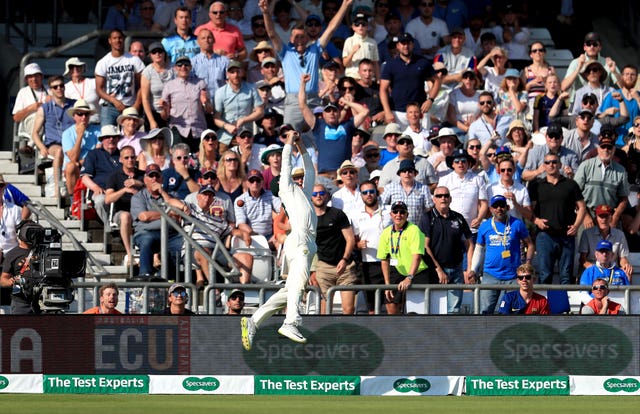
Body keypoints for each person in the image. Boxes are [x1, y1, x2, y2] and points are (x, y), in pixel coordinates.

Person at [241, 129, 317, 349]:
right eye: (296, 179)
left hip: (308, 242)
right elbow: (285, 165)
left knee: (290, 290)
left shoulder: (303, 193)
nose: (300, 179)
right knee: (298, 284)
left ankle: (254, 321)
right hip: (300, 239)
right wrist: (289, 142)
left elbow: (310, 168)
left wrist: (301, 147)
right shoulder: (286, 189)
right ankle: (291, 321)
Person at [258, 0, 352, 130]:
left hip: (313, 100)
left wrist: (344, 5)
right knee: (290, 137)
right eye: (296, 37)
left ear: (307, 38)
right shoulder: (285, 52)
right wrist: (266, 13)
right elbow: (272, 34)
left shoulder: (314, 50)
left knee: (315, 139)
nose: (300, 40)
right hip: (293, 102)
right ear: (291, 39)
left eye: (302, 37)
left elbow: (331, 28)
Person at [528, 152, 587, 285]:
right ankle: (544, 306)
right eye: (548, 162)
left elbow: (582, 207)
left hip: (566, 235)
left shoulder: (571, 184)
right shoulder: (536, 185)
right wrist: (536, 220)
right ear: (544, 165)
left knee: (566, 275)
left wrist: (577, 226)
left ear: (560, 164)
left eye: (554, 162)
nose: (551, 165)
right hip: (544, 236)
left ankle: (565, 306)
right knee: (545, 275)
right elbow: (528, 209)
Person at [472, 195, 535, 314]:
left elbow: (530, 244)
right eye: (495, 206)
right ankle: (484, 333)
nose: (499, 209)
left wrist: (527, 264)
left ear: (507, 207)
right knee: (485, 311)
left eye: (501, 206)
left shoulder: (517, 223)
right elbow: (479, 249)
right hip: (490, 275)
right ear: (490, 209)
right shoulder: (485, 226)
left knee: (510, 311)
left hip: (512, 276)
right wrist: (473, 270)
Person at [299, 74, 369, 179]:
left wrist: (348, 102)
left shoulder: (347, 125)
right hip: (324, 175)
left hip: (344, 176)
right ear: (323, 115)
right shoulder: (318, 126)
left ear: (339, 113)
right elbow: (302, 105)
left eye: (334, 111)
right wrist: (303, 84)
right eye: (328, 111)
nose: (331, 113)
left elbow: (365, 112)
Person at [420, 186, 475, 314]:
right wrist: (438, 269)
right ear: (434, 199)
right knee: (434, 310)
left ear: (450, 199)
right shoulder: (427, 218)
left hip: (456, 269)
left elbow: (469, 244)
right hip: (435, 271)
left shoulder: (458, 218)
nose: (443, 198)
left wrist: (469, 268)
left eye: (446, 195)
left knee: (454, 311)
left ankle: (452, 334)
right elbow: (425, 246)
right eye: (439, 196)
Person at [377, 200, 434, 315]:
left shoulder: (414, 230)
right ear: (391, 214)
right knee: (390, 302)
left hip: (418, 271)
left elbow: (417, 256)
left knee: (417, 310)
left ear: (407, 215)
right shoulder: (386, 232)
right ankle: (397, 329)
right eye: (395, 211)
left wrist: (409, 277)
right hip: (398, 270)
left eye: (402, 212)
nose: (399, 215)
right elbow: (384, 260)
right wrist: (387, 284)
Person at [130, 164, 184, 281]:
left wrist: (163, 192)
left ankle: (166, 276)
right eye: (151, 176)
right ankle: (145, 274)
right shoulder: (138, 197)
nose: (154, 178)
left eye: (157, 175)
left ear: (162, 179)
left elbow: (179, 212)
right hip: (147, 232)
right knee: (147, 239)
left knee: (185, 243)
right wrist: (168, 213)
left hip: (171, 234)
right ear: (145, 179)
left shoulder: (172, 196)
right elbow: (144, 216)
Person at [310, 183, 358, 314]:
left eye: (321, 193)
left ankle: (347, 334)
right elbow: (307, 245)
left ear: (327, 196)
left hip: (345, 266)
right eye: (315, 194)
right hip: (324, 266)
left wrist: (344, 259)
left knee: (349, 309)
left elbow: (350, 239)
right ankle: (325, 334)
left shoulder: (337, 214)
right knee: (325, 310)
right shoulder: (309, 218)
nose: (318, 196)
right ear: (311, 197)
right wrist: (312, 269)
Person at [379, 32, 440, 129]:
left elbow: (436, 81)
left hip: (420, 111)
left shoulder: (423, 62)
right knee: (400, 143)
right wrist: (387, 111)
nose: (406, 46)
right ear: (398, 46)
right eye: (403, 43)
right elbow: (383, 89)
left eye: (408, 43)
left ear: (412, 44)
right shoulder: (390, 65)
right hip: (398, 112)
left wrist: (430, 100)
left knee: (423, 142)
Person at [574, 127, 630, 229]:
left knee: (613, 244)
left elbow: (624, 199)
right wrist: (585, 216)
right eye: (603, 147)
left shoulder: (621, 170)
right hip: (588, 214)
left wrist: (615, 217)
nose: (606, 150)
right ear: (598, 148)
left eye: (609, 147)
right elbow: (574, 193)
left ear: (614, 150)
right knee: (585, 244)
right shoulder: (585, 165)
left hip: (610, 216)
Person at [349, 180, 391, 314]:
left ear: (377, 193)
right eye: (365, 192)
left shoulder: (389, 211)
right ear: (361, 195)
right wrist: (357, 245)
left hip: (391, 261)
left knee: (392, 304)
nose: (369, 195)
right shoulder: (355, 215)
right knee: (372, 307)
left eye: (371, 191)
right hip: (368, 263)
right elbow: (352, 240)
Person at [31, 75, 76, 199]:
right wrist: (41, 147)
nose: (59, 88)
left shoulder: (74, 105)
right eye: (55, 87)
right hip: (54, 144)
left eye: (61, 85)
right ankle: (57, 188)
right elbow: (35, 133)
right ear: (51, 89)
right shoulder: (45, 108)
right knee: (59, 151)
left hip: (72, 144)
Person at [233, 169, 282, 283]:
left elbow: (281, 211)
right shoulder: (240, 200)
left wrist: (277, 232)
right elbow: (241, 224)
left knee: (282, 242)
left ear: (262, 182)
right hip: (252, 238)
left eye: (258, 180)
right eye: (252, 180)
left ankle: (280, 276)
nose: (255, 183)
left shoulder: (271, 195)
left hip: (270, 236)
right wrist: (256, 236)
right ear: (247, 183)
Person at [160, 55, 212, 153]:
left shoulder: (200, 83)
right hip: (178, 128)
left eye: (186, 64)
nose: (183, 67)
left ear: (190, 67)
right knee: (179, 158)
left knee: (199, 160)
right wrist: (164, 109)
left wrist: (206, 102)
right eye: (180, 65)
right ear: (175, 68)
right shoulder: (169, 86)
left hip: (198, 128)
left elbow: (209, 110)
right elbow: (164, 116)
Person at [94, 29, 145, 127]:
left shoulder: (134, 60)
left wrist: (137, 105)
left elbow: (143, 85)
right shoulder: (103, 62)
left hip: (129, 105)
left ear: (124, 39)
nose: (118, 40)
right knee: (107, 137)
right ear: (110, 41)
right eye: (114, 38)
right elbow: (99, 89)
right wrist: (114, 101)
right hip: (109, 107)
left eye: (120, 38)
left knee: (129, 138)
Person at [105, 145, 145, 266]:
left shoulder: (143, 175)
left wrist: (139, 184)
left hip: (141, 211)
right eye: (126, 157)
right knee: (126, 216)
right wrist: (124, 190)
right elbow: (107, 199)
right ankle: (130, 253)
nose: (130, 160)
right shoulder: (114, 176)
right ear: (121, 159)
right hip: (122, 212)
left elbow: (154, 191)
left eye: (132, 157)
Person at [213, 60, 264, 152]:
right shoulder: (220, 92)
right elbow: (216, 118)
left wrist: (244, 119)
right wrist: (227, 126)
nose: (235, 75)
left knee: (246, 163)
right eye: (232, 72)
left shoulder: (251, 88)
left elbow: (260, 111)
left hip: (246, 136)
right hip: (226, 137)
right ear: (227, 74)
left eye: (238, 71)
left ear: (243, 72)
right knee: (224, 163)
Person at [438, 148, 488, 235]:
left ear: (468, 163)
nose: (460, 163)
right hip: (449, 228)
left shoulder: (478, 179)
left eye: (463, 161)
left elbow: (483, 203)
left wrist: (479, 219)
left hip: (472, 229)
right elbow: (438, 202)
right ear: (452, 164)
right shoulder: (444, 180)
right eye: (457, 161)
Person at [80, 125, 122, 225]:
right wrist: (95, 187)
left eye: (114, 137)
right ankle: (110, 228)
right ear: (102, 139)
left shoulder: (123, 155)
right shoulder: (93, 154)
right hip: (101, 191)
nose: (111, 139)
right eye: (107, 137)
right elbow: (84, 177)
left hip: (119, 191)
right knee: (100, 201)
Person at [579, 204, 633, 278]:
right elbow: (583, 260)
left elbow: (622, 258)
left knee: (627, 272)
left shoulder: (620, 234)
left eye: (606, 216)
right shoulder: (587, 233)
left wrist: (626, 265)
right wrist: (595, 270)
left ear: (611, 218)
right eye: (601, 216)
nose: (604, 219)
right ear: (596, 218)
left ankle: (628, 289)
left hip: (613, 271)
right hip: (592, 270)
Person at [61, 100, 100, 197]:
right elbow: (73, 158)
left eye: (86, 114)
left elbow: (98, 152)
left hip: (91, 165)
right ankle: (73, 199)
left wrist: (82, 162)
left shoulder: (98, 130)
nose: (83, 117)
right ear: (74, 116)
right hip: (75, 168)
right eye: (80, 114)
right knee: (71, 166)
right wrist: (80, 135)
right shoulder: (67, 133)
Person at [380, 159, 433, 225]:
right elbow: (381, 206)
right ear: (399, 174)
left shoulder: (424, 189)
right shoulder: (390, 188)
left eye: (410, 171)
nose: (407, 173)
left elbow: (428, 210)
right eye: (404, 171)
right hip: (395, 230)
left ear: (415, 174)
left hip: (416, 229)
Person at [191, 28, 230, 111]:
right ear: (198, 42)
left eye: (209, 38)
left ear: (214, 40)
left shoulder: (224, 60)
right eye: (203, 38)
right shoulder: (193, 62)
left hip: (221, 104)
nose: (206, 40)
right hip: (200, 106)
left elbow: (229, 82)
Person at [140, 42, 175, 130]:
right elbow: (145, 99)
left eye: (160, 51)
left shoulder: (173, 69)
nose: (157, 54)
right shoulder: (147, 72)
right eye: (154, 52)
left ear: (164, 53)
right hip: (155, 113)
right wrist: (151, 121)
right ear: (150, 55)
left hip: (174, 112)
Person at [12, 63, 48, 142]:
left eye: (36, 76)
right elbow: (16, 118)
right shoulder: (23, 92)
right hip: (29, 125)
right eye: (30, 77)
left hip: (49, 124)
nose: (34, 79)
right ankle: (34, 145)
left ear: (41, 77)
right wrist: (30, 108)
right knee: (37, 118)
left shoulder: (50, 90)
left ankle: (31, 146)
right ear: (26, 80)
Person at [342, 13, 380, 80]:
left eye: (363, 24)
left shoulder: (372, 42)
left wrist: (378, 79)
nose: (360, 26)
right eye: (357, 24)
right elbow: (345, 64)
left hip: (368, 79)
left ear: (367, 26)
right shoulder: (349, 41)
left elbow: (375, 63)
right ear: (353, 27)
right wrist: (352, 52)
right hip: (353, 78)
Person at [63, 57, 99, 125]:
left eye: (78, 66)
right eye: (72, 67)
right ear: (68, 70)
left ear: (82, 68)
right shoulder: (66, 87)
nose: (75, 69)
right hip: (76, 125)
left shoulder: (93, 82)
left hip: (95, 122)